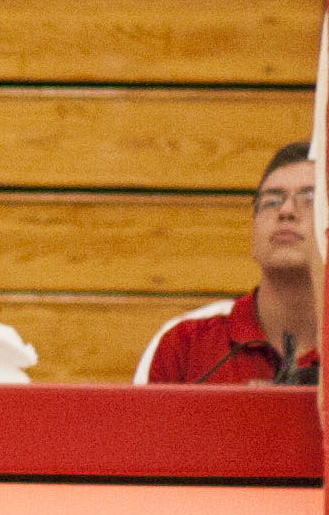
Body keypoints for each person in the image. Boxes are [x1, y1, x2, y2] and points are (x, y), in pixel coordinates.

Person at [136, 144, 319, 385]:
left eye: (309, 199)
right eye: (271, 202)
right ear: (254, 235)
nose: (286, 210)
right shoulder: (184, 343)